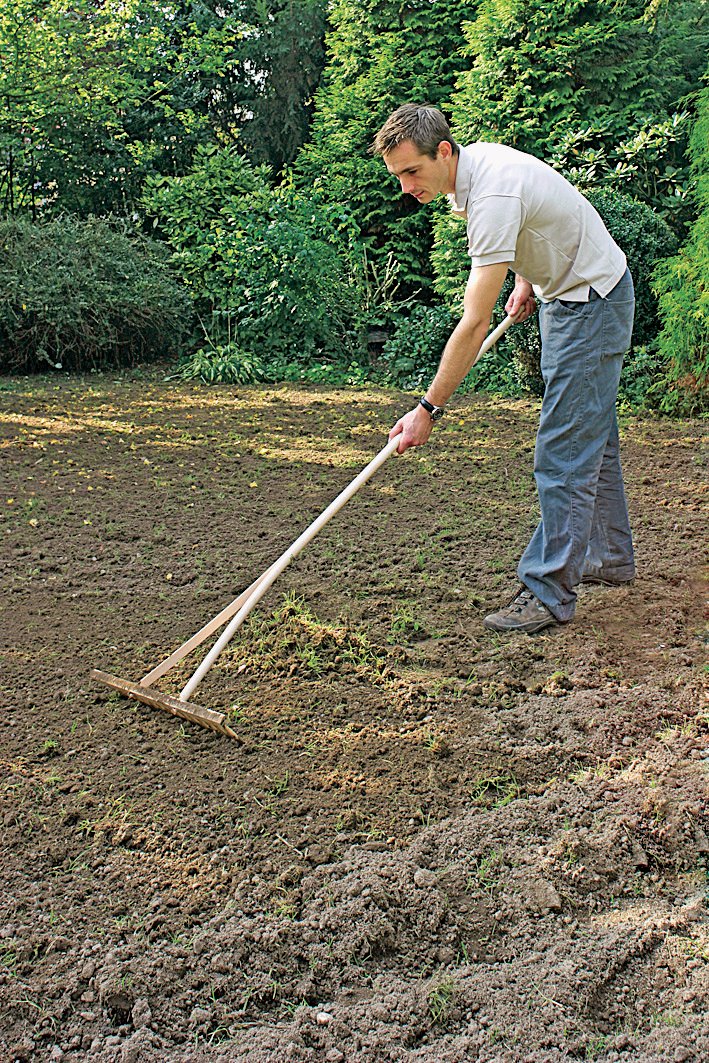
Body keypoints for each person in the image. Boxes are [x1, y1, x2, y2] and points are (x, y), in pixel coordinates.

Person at [372, 103, 636, 634]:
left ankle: (548, 591)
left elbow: (473, 323)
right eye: (397, 175)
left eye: (411, 172)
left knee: (562, 450)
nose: (405, 187)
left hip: (592, 301)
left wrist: (429, 408)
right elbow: (537, 223)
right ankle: (607, 557)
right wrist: (526, 279)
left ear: (442, 152)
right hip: (565, 293)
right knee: (592, 433)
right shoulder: (472, 175)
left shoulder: (491, 194)